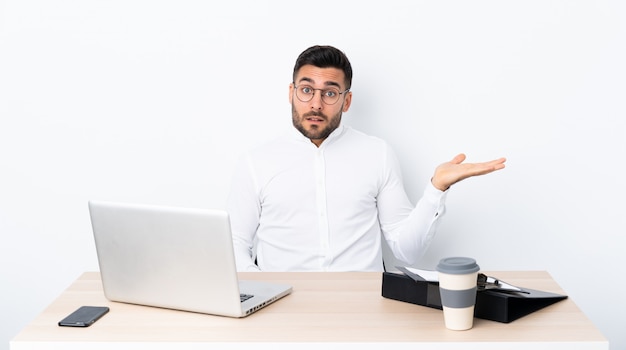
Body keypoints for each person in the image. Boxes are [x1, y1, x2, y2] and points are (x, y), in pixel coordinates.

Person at [227, 45, 506, 272]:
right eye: (307, 89)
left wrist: (436, 189)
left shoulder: (377, 154)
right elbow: (236, 246)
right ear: (292, 93)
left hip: (365, 304)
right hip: (284, 307)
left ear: (346, 101)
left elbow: (406, 252)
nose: (316, 103)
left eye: (330, 93)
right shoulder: (256, 162)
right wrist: (267, 292)